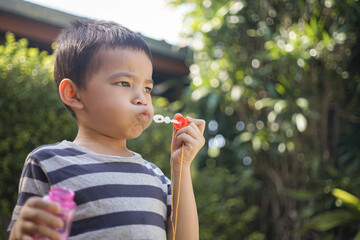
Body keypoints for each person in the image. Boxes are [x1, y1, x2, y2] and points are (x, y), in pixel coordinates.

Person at [8, 19, 205, 240]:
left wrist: (181, 167)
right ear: (73, 94)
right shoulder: (48, 162)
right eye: (124, 83)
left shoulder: (157, 178)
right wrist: (20, 233)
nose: (142, 98)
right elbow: (29, 234)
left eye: (147, 88)